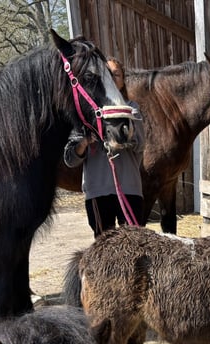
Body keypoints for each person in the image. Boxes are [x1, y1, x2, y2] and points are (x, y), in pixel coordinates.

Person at [63, 57, 145, 237]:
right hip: (97, 190)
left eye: (116, 74)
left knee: (133, 243)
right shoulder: (85, 113)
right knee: (102, 243)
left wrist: (120, 134)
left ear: (123, 80)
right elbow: (70, 159)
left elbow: (140, 145)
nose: (111, 78)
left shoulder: (131, 109)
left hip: (128, 188)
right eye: (107, 74)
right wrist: (85, 142)